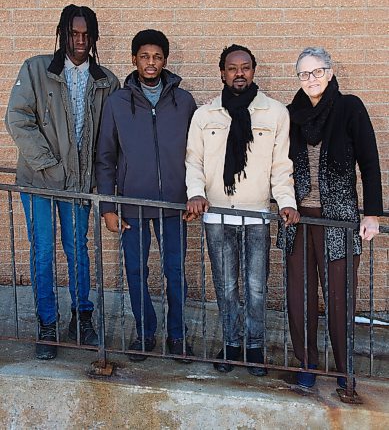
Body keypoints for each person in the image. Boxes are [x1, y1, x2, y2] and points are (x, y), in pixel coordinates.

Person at [6, 4, 120, 360]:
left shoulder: (107, 81)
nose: (80, 41)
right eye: (74, 34)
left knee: (78, 251)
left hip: (80, 187)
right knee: (42, 251)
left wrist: (100, 182)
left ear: (94, 37)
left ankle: (82, 318)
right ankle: (47, 325)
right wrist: (50, 166)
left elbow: (107, 138)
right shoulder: (36, 69)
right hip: (40, 183)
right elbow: (18, 118)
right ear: (63, 34)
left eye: (86, 35)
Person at [185, 44, 299, 376]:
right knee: (225, 285)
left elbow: (281, 166)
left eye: (245, 67)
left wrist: (287, 202)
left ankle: (255, 347)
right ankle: (232, 344)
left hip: (257, 215)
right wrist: (195, 193)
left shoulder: (275, 112)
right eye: (232, 68)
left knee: (256, 285)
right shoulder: (205, 115)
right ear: (222, 72)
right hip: (218, 214)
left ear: (253, 70)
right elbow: (194, 161)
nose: (239, 73)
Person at [283, 47, 382, 391]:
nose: (310, 80)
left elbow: (369, 162)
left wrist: (371, 213)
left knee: (339, 296)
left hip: (339, 222)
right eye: (303, 74)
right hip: (298, 222)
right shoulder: (290, 113)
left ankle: (344, 369)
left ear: (330, 71)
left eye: (317, 72)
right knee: (300, 296)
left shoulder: (349, 107)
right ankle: (307, 363)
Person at [95, 29, 197, 362]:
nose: (150, 62)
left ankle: (178, 335)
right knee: (136, 273)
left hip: (173, 207)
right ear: (134, 60)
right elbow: (106, 157)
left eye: (156, 56)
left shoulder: (183, 102)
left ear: (165, 60)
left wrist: (194, 195)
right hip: (132, 207)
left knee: (175, 273)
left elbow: (197, 154)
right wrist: (109, 206)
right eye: (144, 56)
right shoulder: (117, 103)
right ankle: (144, 333)